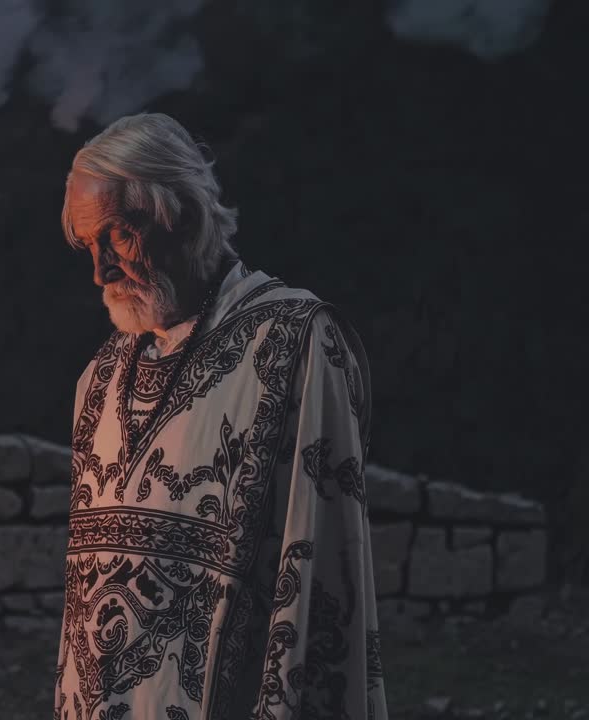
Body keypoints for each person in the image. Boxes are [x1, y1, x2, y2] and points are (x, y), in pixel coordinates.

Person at [54, 113, 388, 720]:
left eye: (116, 238)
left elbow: (318, 590)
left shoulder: (295, 346)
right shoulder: (98, 381)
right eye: (88, 246)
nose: (99, 271)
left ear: (177, 213)